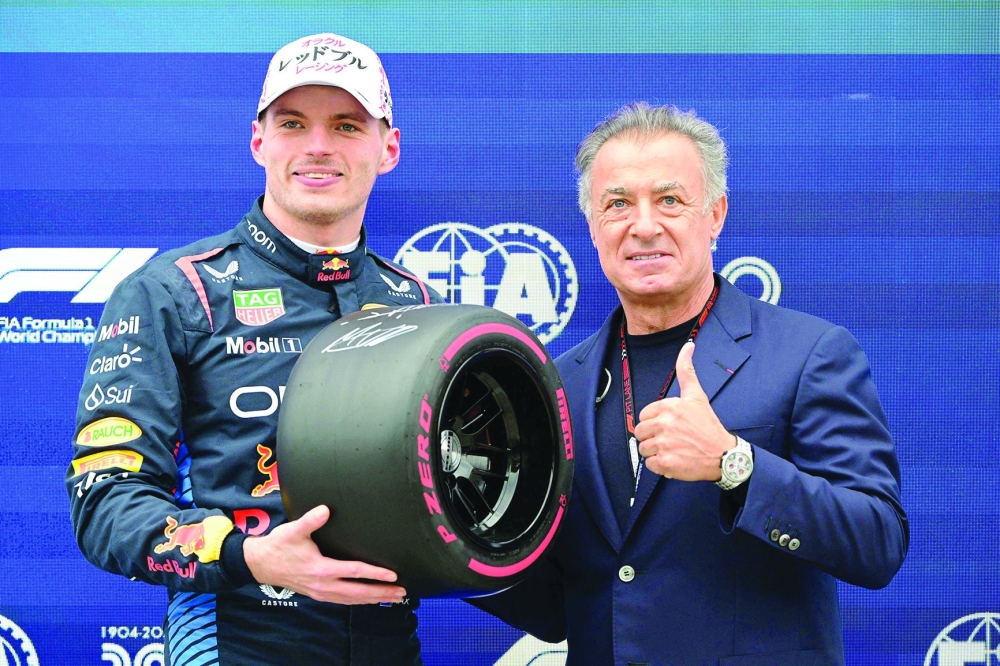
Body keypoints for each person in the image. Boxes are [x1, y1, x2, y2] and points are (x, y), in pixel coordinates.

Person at [471, 103, 908, 665]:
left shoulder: (810, 354)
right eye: (618, 204)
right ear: (593, 226)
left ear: (716, 215)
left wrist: (735, 464)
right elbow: (558, 604)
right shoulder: (558, 384)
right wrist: (459, 548)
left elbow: (877, 542)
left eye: (670, 200)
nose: (644, 225)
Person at [66, 33, 440, 665]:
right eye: (293, 123)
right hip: (232, 645)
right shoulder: (174, 293)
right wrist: (250, 556)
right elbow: (105, 501)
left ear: (388, 148)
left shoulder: (422, 309)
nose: (318, 146)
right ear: (259, 141)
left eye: (347, 126)